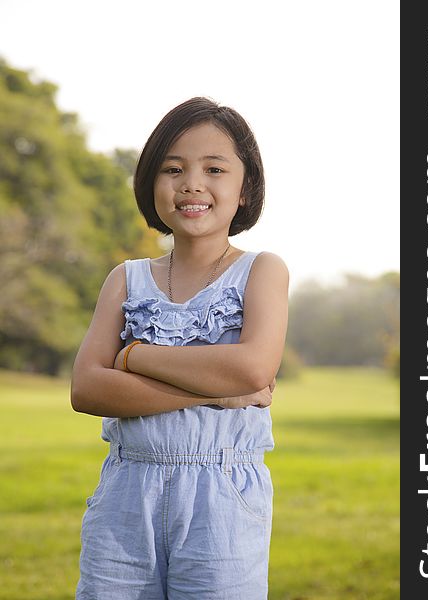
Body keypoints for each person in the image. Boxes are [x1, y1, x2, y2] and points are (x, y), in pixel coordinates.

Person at [71, 96, 289, 599]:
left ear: (245, 188)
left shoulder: (261, 270)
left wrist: (135, 358)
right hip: (127, 494)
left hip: (223, 495)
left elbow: (252, 368)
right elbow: (87, 388)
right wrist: (216, 391)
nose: (192, 183)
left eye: (214, 168)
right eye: (173, 169)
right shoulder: (125, 280)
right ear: (151, 183)